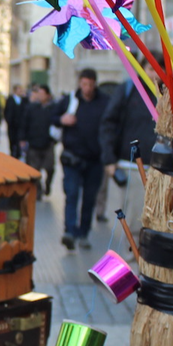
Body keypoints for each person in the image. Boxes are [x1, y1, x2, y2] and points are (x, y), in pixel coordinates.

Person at [52, 68, 110, 250]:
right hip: (72, 158)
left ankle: (83, 233)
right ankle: (69, 231)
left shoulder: (104, 102)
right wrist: (62, 119)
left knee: (89, 198)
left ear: (95, 84)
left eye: (90, 84)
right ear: (79, 83)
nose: (87, 88)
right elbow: (51, 117)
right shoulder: (70, 100)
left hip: (95, 159)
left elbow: (112, 125)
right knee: (72, 194)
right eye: (84, 84)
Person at [20, 84, 57, 198]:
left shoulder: (53, 108)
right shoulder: (31, 108)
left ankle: (48, 184)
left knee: (50, 167)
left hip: (48, 144)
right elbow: (24, 123)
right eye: (38, 93)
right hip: (34, 144)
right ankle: (39, 190)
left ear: (47, 95)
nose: (40, 96)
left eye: (42, 94)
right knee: (34, 170)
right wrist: (22, 138)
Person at [4, 84, 29, 159]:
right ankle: (13, 153)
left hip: (20, 125)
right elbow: (7, 111)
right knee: (12, 140)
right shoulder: (10, 100)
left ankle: (18, 153)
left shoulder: (23, 100)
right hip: (12, 125)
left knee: (19, 140)